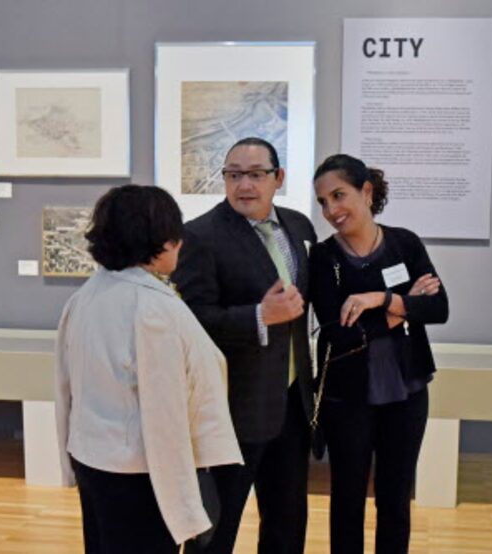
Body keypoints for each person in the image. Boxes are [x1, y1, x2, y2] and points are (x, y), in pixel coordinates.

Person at [54, 184, 243, 554]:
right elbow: (165, 414)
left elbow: (67, 388)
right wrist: (184, 504)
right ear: (160, 240)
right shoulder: (153, 310)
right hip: (140, 474)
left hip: (94, 460)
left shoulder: (87, 296)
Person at [172, 137, 316, 554]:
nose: (244, 186)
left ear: (278, 178)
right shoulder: (199, 236)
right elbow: (193, 320)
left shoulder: (299, 226)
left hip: (292, 401)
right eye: (234, 175)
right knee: (217, 528)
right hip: (233, 408)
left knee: (288, 521)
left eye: (255, 174)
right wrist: (258, 316)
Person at [309, 154, 449, 554]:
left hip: (407, 395)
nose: (331, 210)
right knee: (347, 501)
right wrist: (403, 306)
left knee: (395, 499)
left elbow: (439, 309)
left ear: (366, 191)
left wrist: (379, 298)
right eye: (323, 202)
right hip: (348, 399)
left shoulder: (404, 243)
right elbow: (338, 333)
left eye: (339, 195)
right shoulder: (324, 258)